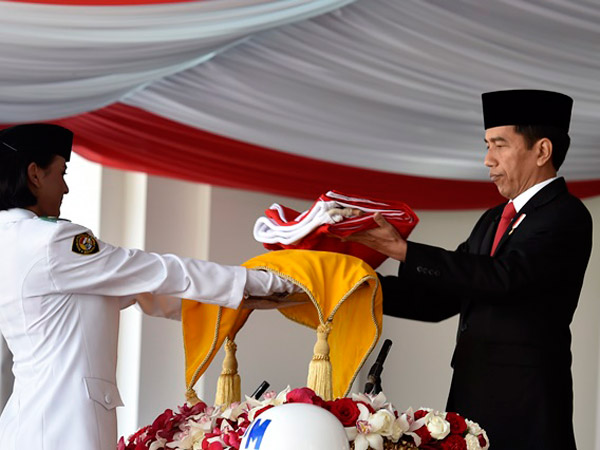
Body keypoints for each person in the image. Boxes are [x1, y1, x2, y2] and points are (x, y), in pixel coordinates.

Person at [0, 123, 300, 450]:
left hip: (30, 421)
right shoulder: (52, 241)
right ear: (34, 174)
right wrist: (263, 279)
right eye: (61, 172)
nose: (66, 188)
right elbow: (157, 271)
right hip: (62, 425)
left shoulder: (12, 241)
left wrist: (243, 299)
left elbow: (135, 291)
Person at [348, 90, 592, 449]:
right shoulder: (494, 219)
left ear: (542, 151)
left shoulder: (566, 215)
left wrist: (404, 251)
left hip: (526, 406)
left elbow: (504, 277)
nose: (487, 159)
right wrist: (355, 288)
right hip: (471, 399)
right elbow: (441, 297)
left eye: (499, 145)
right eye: (487, 145)